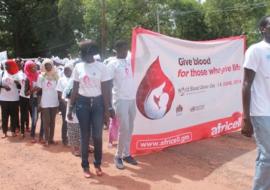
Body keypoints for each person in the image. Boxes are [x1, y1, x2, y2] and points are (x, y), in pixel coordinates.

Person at [68, 40, 111, 178]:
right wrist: (70, 107)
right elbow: (75, 89)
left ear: (91, 53)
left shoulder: (102, 67)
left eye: (84, 53)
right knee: (85, 136)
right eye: (81, 53)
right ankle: (85, 165)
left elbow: (106, 91)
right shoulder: (78, 67)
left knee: (98, 136)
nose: (82, 56)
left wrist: (107, 109)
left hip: (98, 103)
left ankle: (97, 164)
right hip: (82, 103)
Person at [241, 15, 270, 190]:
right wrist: (246, 118)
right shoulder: (255, 50)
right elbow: (246, 84)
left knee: (265, 154)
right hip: (261, 112)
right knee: (268, 156)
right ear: (262, 29)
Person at [106, 40, 138, 170]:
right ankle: (118, 156)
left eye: (126, 49)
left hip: (131, 99)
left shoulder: (129, 61)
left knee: (130, 128)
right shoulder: (112, 64)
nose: (126, 52)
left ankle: (127, 154)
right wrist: (109, 106)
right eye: (123, 49)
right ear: (117, 50)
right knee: (123, 128)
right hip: (120, 100)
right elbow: (107, 85)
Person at [37, 58, 59, 146]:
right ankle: (46, 139)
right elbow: (39, 90)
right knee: (46, 121)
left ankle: (51, 139)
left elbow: (59, 89)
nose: (48, 66)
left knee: (53, 121)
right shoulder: (41, 76)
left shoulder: (56, 76)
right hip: (45, 101)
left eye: (49, 64)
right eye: (46, 65)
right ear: (44, 66)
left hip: (54, 101)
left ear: (52, 65)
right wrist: (39, 103)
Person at [24, 60, 44, 143]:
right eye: (32, 67)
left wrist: (40, 88)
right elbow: (26, 93)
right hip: (34, 100)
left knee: (43, 118)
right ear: (28, 68)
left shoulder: (40, 76)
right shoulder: (27, 78)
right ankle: (32, 135)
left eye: (35, 66)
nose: (34, 68)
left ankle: (41, 136)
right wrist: (33, 90)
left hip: (42, 99)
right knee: (35, 118)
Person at [0, 59, 21, 138]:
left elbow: (20, 87)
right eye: (5, 65)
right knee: (4, 116)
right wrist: (3, 86)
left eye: (7, 65)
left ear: (12, 65)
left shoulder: (17, 74)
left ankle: (13, 131)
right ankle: (4, 132)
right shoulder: (2, 73)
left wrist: (17, 83)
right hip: (3, 98)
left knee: (14, 116)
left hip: (14, 99)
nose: (5, 66)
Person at [56, 61, 73, 146]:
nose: (66, 71)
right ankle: (64, 139)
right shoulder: (61, 80)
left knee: (73, 122)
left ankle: (72, 139)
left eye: (68, 70)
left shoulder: (74, 79)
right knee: (65, 122)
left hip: (73, 104)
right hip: (64, 104)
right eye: (65, 70)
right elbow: (59, 93)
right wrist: (65, 104)